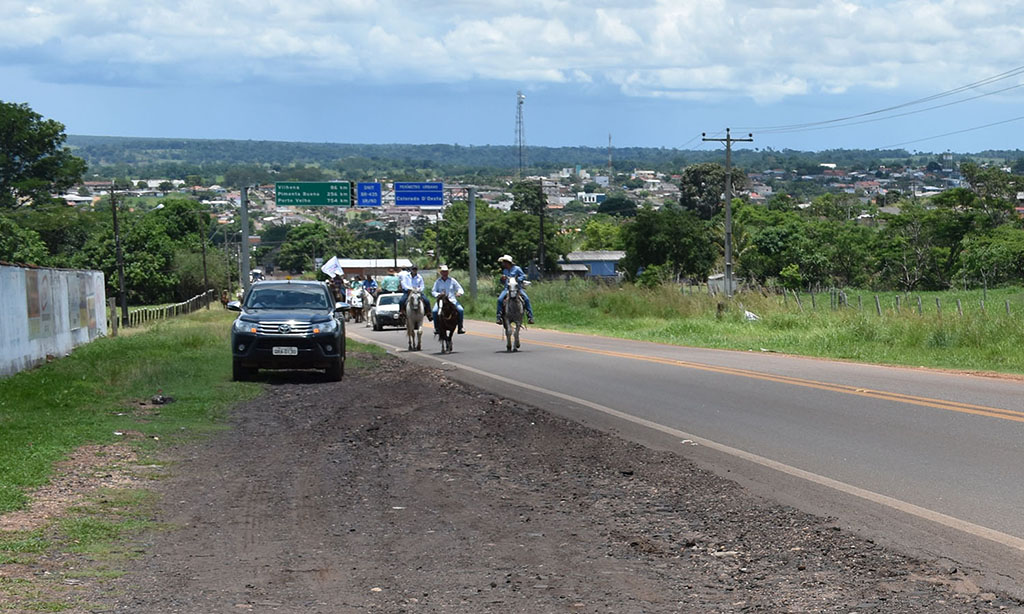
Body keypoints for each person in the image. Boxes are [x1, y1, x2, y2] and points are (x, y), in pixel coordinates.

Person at [496, 254, 534, 325]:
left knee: (526, 299)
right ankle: (499, 317)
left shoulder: (517, 269)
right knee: (500, 299)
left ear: (508, 262)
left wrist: (517, 279)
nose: (503, 264)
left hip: (517, 288)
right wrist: (502, 279)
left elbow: (523, 276)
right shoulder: (505, 271)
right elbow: (503, 282)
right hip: (507, 289)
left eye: (504, 262)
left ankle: (530, 317)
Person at [431, 265, 465, 335]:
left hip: (452, 300)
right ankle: (436, 328)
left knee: (460, 310)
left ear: (448, 272)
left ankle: (460, 327)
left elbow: (460, 288)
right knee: (434, 311)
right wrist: (439, 294)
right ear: (441, 273)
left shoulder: (452, 280)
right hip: (441, 301)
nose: (445, 273)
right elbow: (433, 291)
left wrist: (459, 293)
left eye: (446, 272)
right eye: (443, 272)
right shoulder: (438, 281)